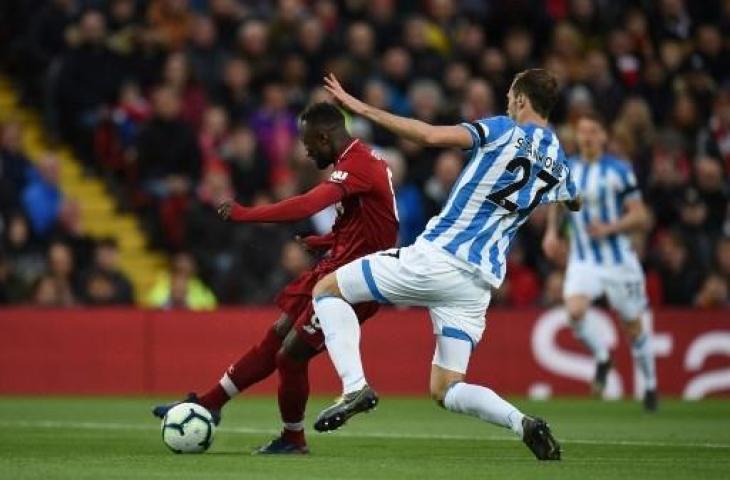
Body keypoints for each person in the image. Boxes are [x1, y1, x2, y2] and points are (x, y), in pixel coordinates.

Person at [311, 69, 578, 461]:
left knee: (327, 289)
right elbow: (573, 200)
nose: (506, 102)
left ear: (521, 100)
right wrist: (558, 230)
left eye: (509, 95)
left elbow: (431, 136)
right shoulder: (558, 160)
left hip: (440, 258)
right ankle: (523, 423)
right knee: (447, 387)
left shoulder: (503, 129)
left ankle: (355, 386)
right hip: (478, 284)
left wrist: (360, 107)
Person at [152, 102, 399, 454]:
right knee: (277, 335)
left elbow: (306, 205)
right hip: (335, 266)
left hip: (351, 282)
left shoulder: (357, 165)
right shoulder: (360, 160)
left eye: (308, 142)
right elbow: (378, 222)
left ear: (324, 136)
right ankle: (210, 404)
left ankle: (293, 438)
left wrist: (245, 214)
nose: (306, 150)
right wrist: (328, 241)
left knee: (290, 356)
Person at [542, 112, 658, 411]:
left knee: (633, 326)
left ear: (604, 136)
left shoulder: (619, 170)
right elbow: (557, 201)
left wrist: (609, 228)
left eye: (593, 131)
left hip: (619, 261)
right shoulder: (569, 168)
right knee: (575, 311)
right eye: (582, 132)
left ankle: (649, 387)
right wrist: (552, 233)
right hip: (583, 260)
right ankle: (604, 357)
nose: (587, 137)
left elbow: (640, 214)